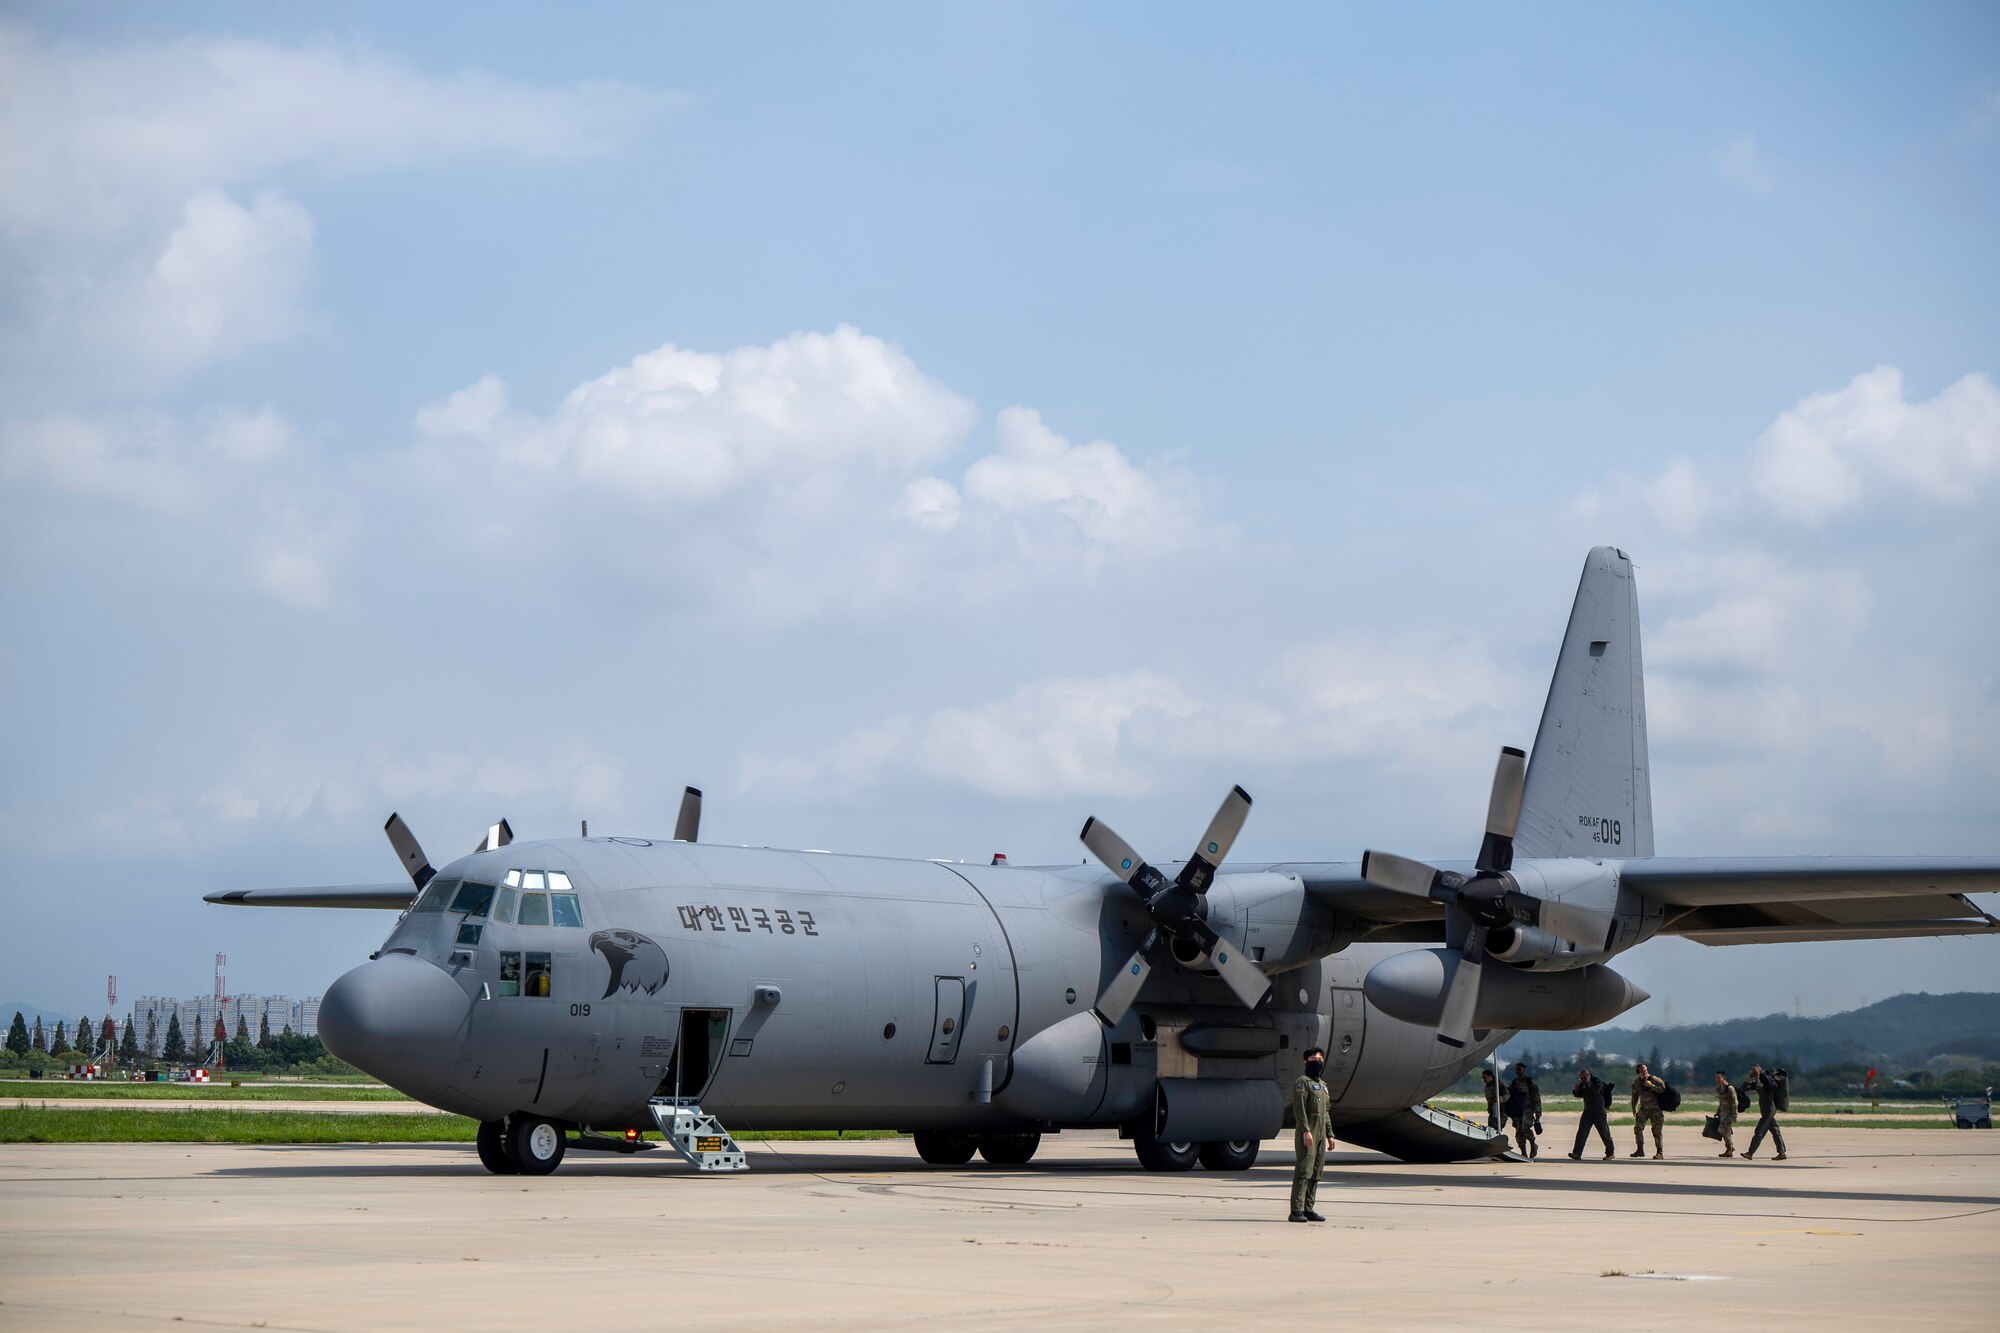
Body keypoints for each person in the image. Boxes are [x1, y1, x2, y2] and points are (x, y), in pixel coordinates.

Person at [1290, 1047, 1333, 1222]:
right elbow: (1300, 1110)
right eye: (1314, 1059)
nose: (1318, 1062)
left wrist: (1330, 1134)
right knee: (1304, 1170)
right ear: (1306, 1061)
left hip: (1321, 1134)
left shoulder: (1323, 1087)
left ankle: (1309, 1208)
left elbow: (1326, 1112)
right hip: (1308, 1132)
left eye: (1320, 1059)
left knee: (1316, 1172)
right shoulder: (1303, 1083)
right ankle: (1296, 1210)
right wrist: (1306, 1131)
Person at [1742, 1064, 1788, 1162]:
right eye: (1753, 1070)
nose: (1754, 1071)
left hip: (1769, 1109)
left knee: (1759, 1131)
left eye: (1755, 1069)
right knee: (1775, 1130)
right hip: (1765, 1110)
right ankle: (1782, 1152)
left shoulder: (1768, 1080)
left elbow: (1772, 1086)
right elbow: (1743, 1089)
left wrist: (1761, 1074)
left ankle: (1750, 1153)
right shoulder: (1758, 1082)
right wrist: (1749, 1078)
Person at [1568, 1067, 1615, 1160]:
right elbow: (1579, 1094)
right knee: (1582, 1133)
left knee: (1604, 1133)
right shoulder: (1583, 1084)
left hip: (1599, 1112)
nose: (1582, 1080)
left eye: (1584, 1078)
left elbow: (1595, 1090)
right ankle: (1577, 1153)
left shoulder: (1597, 1081)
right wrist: (1576, 1090)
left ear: (1588, 1075)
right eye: (1580, 1079)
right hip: (1587, 1112)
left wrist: (1589, 1082)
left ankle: (1610, 1153)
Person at [1504, 1062, 1542, 1159]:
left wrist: (1538, 1110)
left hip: (1528, 1110)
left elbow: (1536, 1096)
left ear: (1524, 1070)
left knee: (1525, 1129)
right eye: (1517, 1069)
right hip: (1517, 1111)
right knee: (1518, 1132)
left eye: (1519, 1069)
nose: (1518, 1071)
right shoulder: (1514, 1083)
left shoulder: (1530, 1082)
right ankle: (1523, 1151)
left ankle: (1533, 1144)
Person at [1630, 1061, 1667, 1159]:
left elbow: (1663, 1089)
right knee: (1638, 1128)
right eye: (1642, 1071)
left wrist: (1652, 1086)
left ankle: (1660, 1152)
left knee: (1656, 1131)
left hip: (1656, 1109)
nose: (1644, 1072)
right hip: (1644, 1109)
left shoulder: (1654, 1079)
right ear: (1638, 1071)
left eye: (1645, 1070)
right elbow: (1634, 1096)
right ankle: (1640, 1149)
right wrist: (1633, 1108)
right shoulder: (1637, 1083)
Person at [1712, 1069, 1738, 1158]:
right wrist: (1718, 1112)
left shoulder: (1730, 1088)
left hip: (1729, 1113)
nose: (1717, 1079)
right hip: (1723, 1112)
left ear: (1723, 1077)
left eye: (1719, 1077)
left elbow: (1735, 1102)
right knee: (1726, 1130)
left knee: (1722, 1129)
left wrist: (1735, 1115)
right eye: (1716, 1078)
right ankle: (1729, 1149)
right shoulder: (1719, 1089)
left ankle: (1730, 1147)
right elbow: (1721, 1101)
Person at [1480, 1068, 1504, 1133]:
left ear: (1490, 1076)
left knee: (1497, 1127)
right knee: (1490, 1127)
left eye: (1485, 1078)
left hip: (1500, 1111)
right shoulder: (1487, 1087)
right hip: (1492, 1111)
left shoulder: (1498, 1084)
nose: (1484, 1080)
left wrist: (1500, 1099)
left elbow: (1507, 1094)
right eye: (1482, 1079)